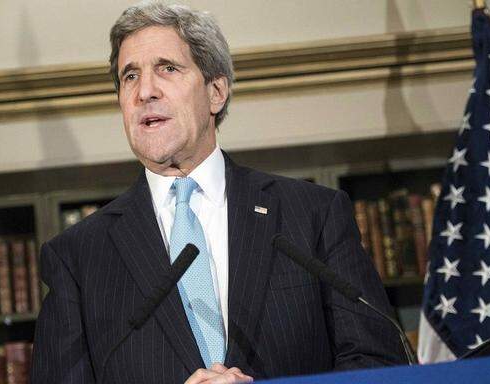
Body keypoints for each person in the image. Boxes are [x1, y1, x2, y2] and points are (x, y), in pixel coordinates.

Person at [31, 3, 407, 383]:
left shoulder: (312, 215)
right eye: (130, 76)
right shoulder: (79, 257)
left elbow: (379, 361)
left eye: (167, 68)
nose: (144, 91)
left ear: (216, 92)